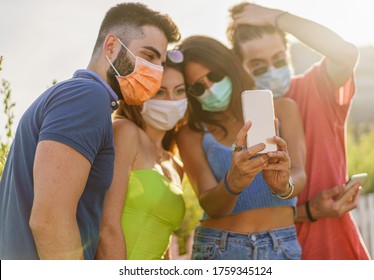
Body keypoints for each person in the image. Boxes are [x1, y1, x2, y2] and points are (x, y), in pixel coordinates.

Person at [0, 2, 180, 260]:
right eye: (148, 56)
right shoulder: (86, 97)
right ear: (111, 46)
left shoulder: (78, 97)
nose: (155, 72)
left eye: (159, 64)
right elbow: (50, 220)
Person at [228, 2, 370, 259]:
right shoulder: (238, 120)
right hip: (272, 253)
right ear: (241, 68)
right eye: (259, 66)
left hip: (333, 248)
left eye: (279, 59)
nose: (272, 70)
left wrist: (276, 17)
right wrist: (310, 211)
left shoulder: (316, 87)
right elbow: (239, 211)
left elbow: (346, 53)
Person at [176, 35, 306, 260]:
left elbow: (300, 174)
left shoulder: (284, 109)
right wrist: (232, 183)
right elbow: (210, 204)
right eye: (197, 87)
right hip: (220, 248)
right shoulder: (191, 133)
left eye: (215, 76)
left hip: (281, 246)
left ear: (230, 67)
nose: (210, 88)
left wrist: (284, 187)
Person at [96, 51, 187, 260]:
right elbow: (107, 226)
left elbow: (163, 244)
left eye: (180, 90)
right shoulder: (125, 132)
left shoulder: (176, 165)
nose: (172, 100)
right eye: (160, 92)